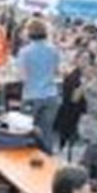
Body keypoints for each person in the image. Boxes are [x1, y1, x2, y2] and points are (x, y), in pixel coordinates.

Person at [16, 18, 61, 151]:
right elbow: (57, 71)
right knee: (46, 132)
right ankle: (47, 158)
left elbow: (23, 76)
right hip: (51, 95)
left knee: (26, 131)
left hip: (31, 95)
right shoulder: (53, 50)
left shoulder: (24, 52)